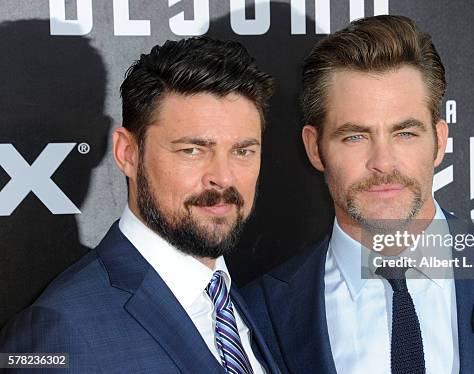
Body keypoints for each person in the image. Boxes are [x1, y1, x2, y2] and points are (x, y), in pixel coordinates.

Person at [241, 15, 474, 373]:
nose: (383, 163)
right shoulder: (259, 315)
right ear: (315, 148)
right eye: (355, 136)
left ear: (438, 142)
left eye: (405, 133)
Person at [0, 36, 279, 374]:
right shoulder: (60, 332)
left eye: (243, 151)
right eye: (192, 150)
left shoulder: (251, 305)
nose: (223, 177)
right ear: (127, 153)